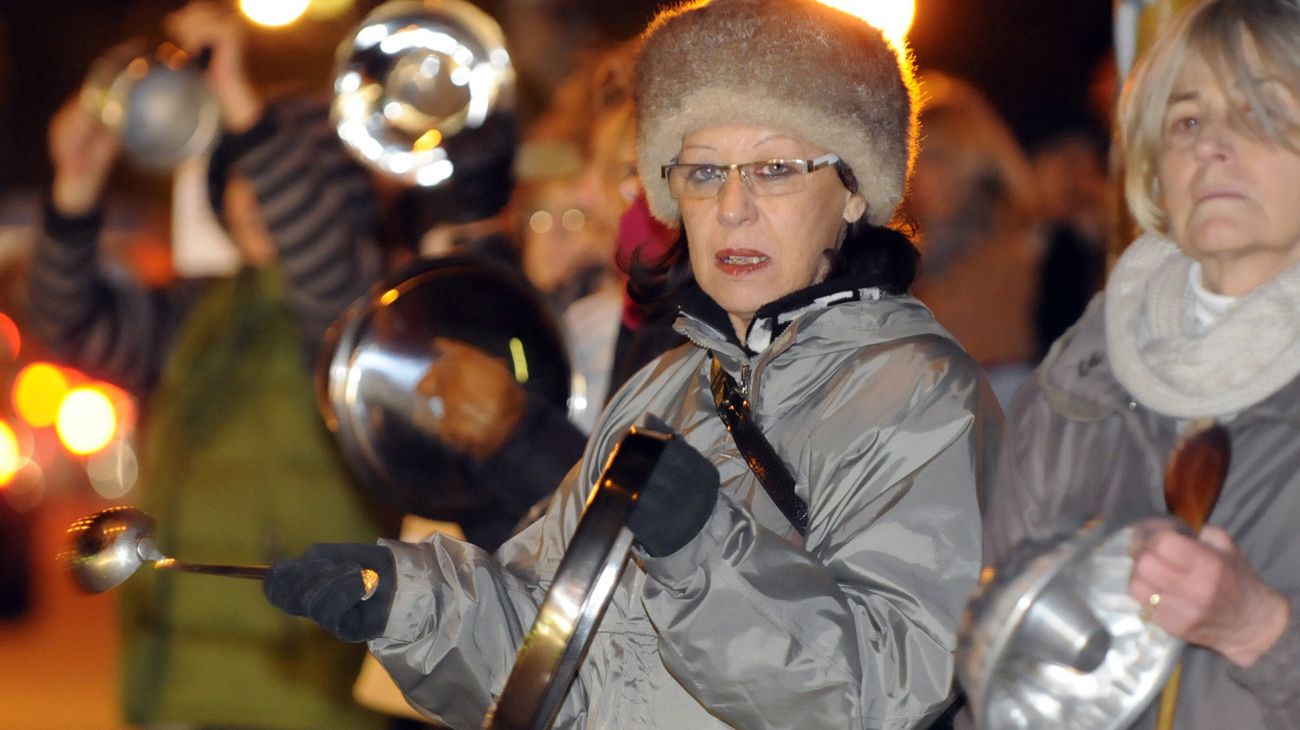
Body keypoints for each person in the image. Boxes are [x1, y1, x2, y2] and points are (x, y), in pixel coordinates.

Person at [263, 0, 996, 727]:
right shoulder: (666, 386)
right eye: (703, 173)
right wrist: (407, 602)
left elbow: (883, 696)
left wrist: (701, 546)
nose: (733, 208)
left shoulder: (922, 394)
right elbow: (551, 642)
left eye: (775, 168)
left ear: (855, 190)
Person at [26, 2, 394, 728]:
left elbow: (321, 267)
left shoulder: (368, 321)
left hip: (303, 702)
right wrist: (75, 187)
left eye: (282, 172)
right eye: (241, 172)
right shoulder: (202, 311)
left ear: (333, 193)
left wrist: (238, 98)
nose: (255, 195)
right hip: (171, 690)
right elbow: (65, 323)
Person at [982, 0, 1300, 727]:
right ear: (1156, 167)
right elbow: (999, 676)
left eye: (1260, 113)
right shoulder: (1076, 382)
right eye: (1188, 121)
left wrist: (1259, 631)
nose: (1212, 147)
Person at [902, 71, 1045, 409]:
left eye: (938, 157)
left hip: (1002, 405)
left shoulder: (1020, 242)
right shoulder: (912, 256)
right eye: (915, 158)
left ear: (974, 159)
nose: (922, 174)